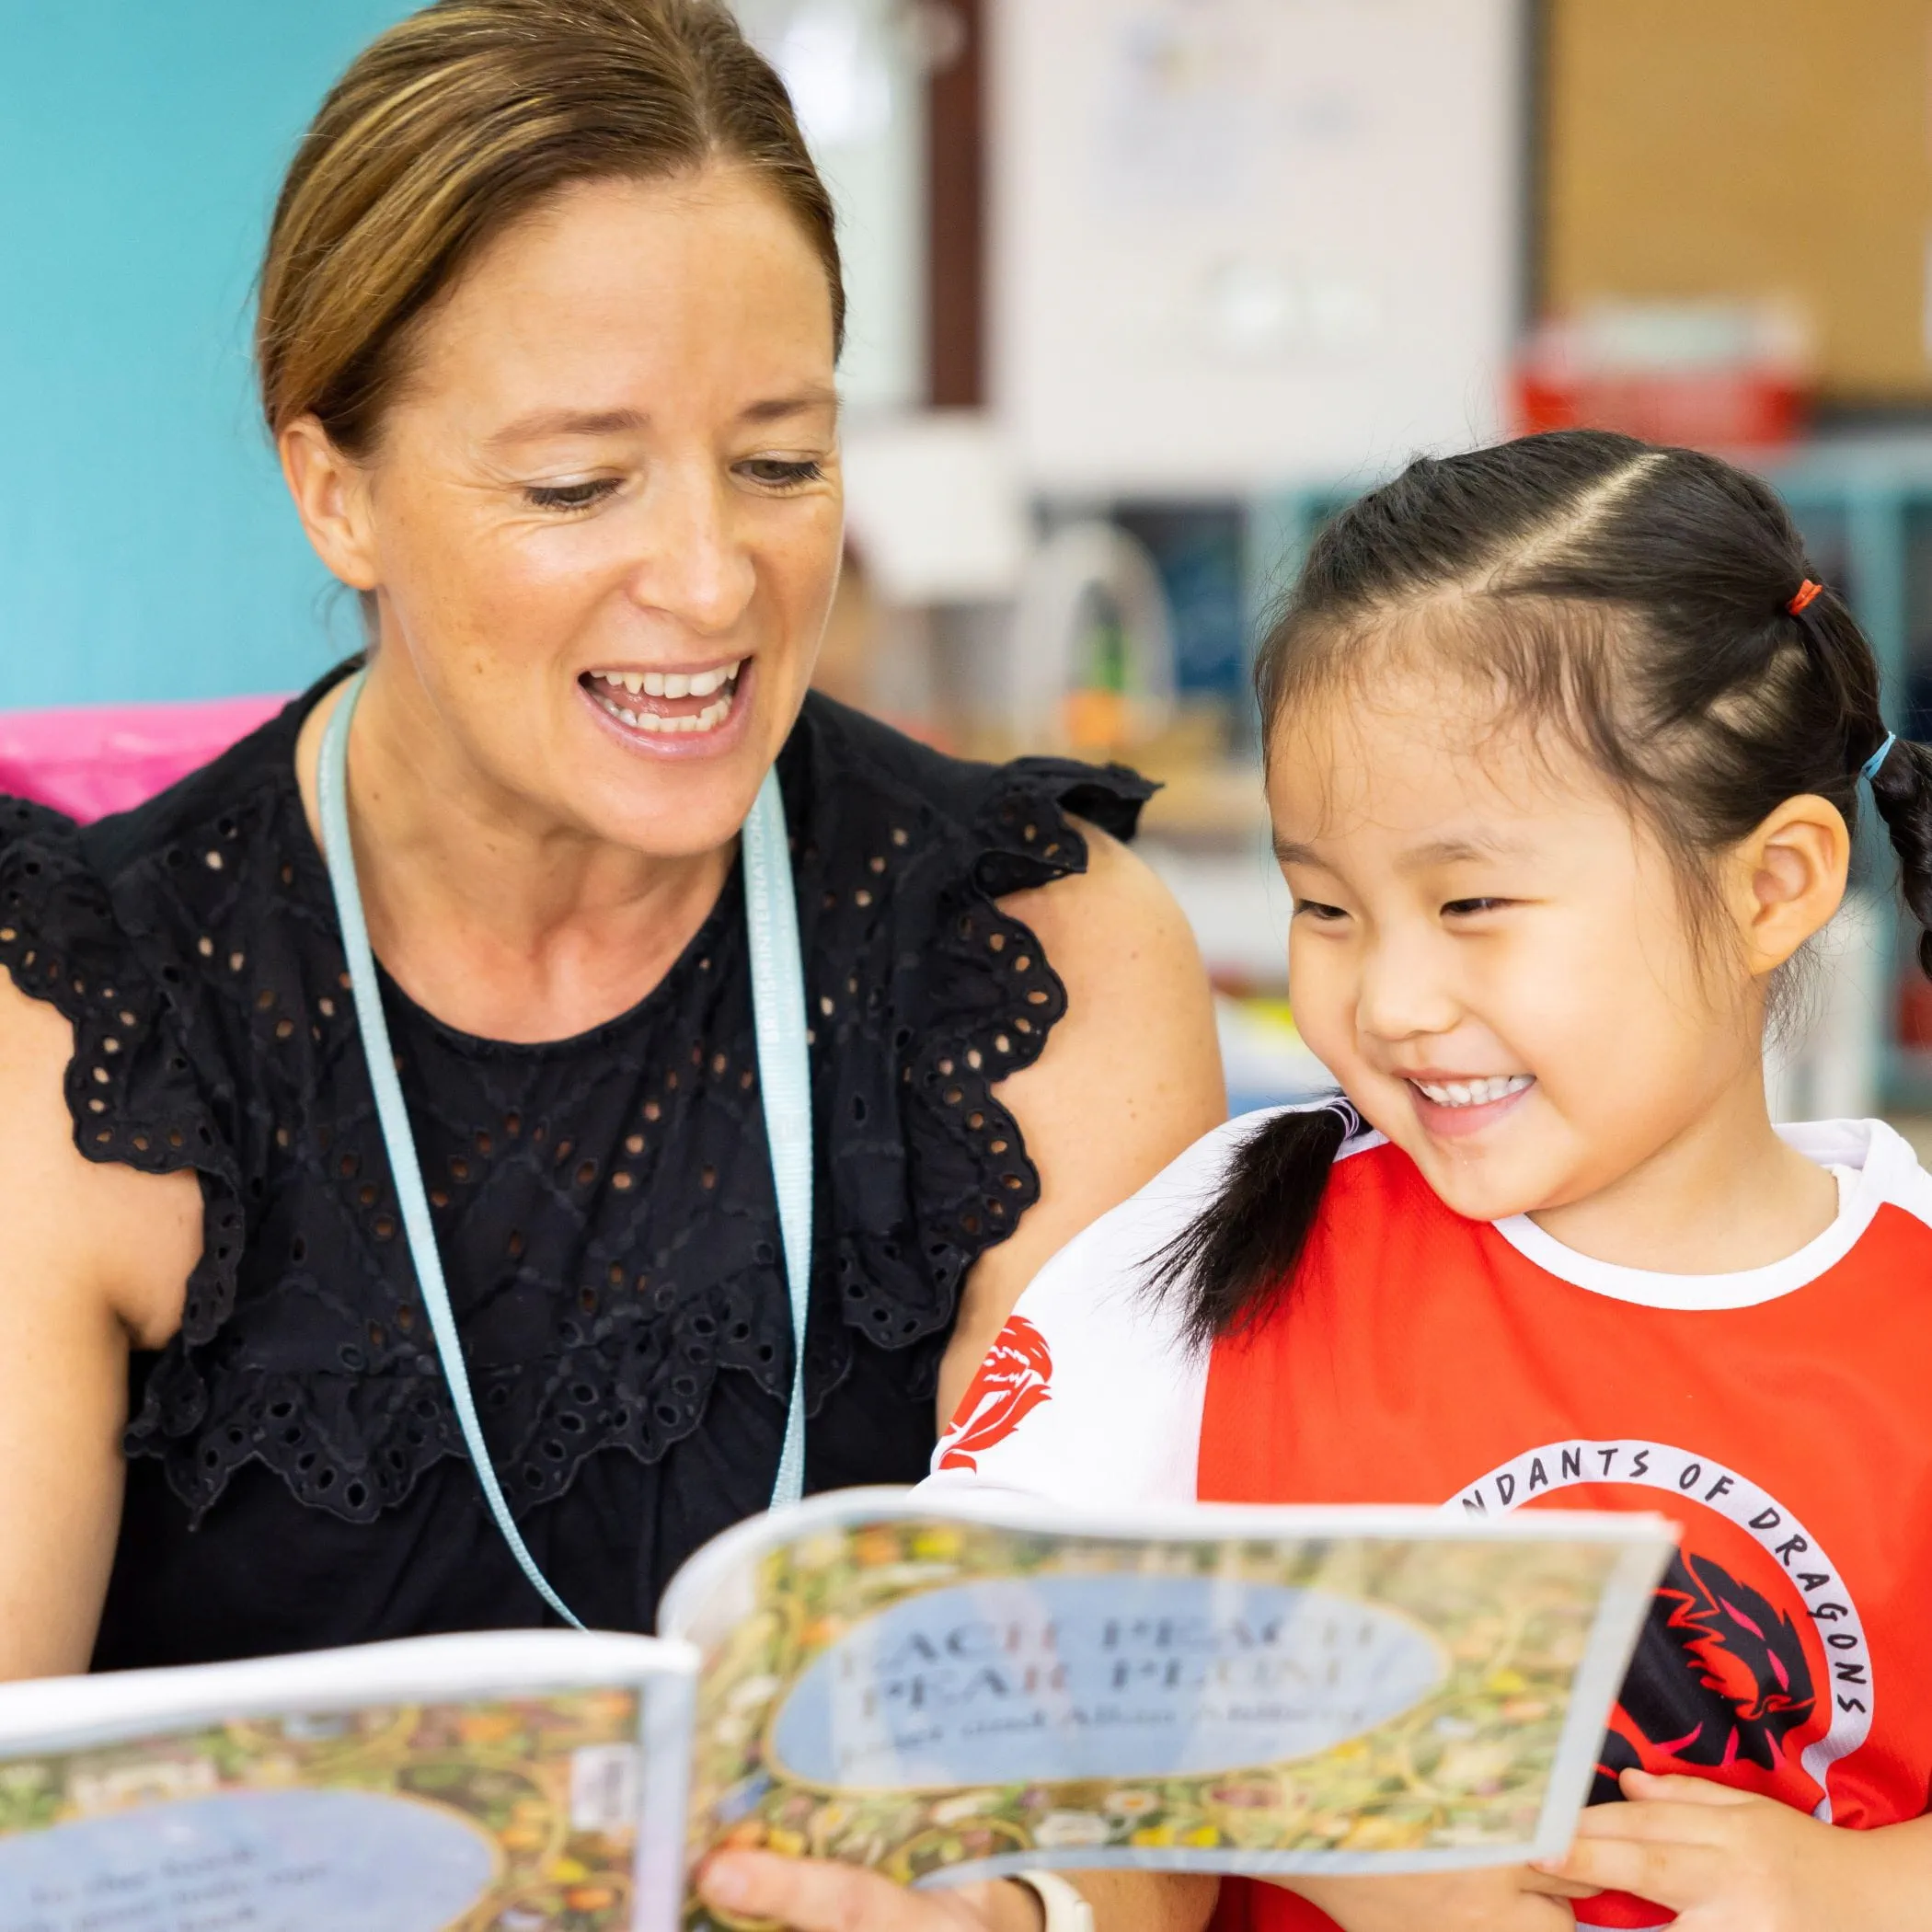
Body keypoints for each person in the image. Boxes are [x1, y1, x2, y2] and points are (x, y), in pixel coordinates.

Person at [0, 0, 1223, 1711]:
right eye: (580, 485)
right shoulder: (77, 1033)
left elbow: (1114, 1767)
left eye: (782, 461)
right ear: (333, 487)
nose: (715, 582)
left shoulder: (1044, 961)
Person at [923, 430, 1932, 1931]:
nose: (1388, 1000)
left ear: (1771, 886)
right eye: (1323, 905)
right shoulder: (1216, 1253)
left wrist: (1856, 1890)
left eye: (1472, 904)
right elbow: (992, 1714)